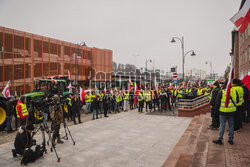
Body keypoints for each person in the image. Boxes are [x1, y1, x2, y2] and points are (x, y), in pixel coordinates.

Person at [213, 80, 238, 145]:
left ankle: (220, 139)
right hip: (232, 111)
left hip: (223, 111)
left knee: (222, 125)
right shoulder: (234, 91)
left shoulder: (221, 92)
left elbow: (217, 103)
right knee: (231, 125)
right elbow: (237, 101)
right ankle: (230, 139)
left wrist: (215, 112)